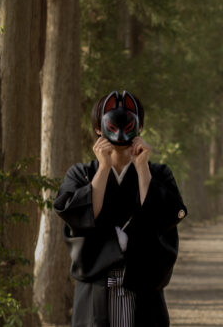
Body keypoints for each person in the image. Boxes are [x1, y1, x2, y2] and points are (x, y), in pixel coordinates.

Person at [54, 90, 187, 327]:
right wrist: (103, 168)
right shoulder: (81, 174)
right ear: (98, 128)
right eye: (112, 123)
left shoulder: (158, 174)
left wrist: (143, 168)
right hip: (96, 291)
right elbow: (80, 217)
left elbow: (165, 217)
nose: (120, 131)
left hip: (144, 291)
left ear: (140, 127)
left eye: (128, 123)